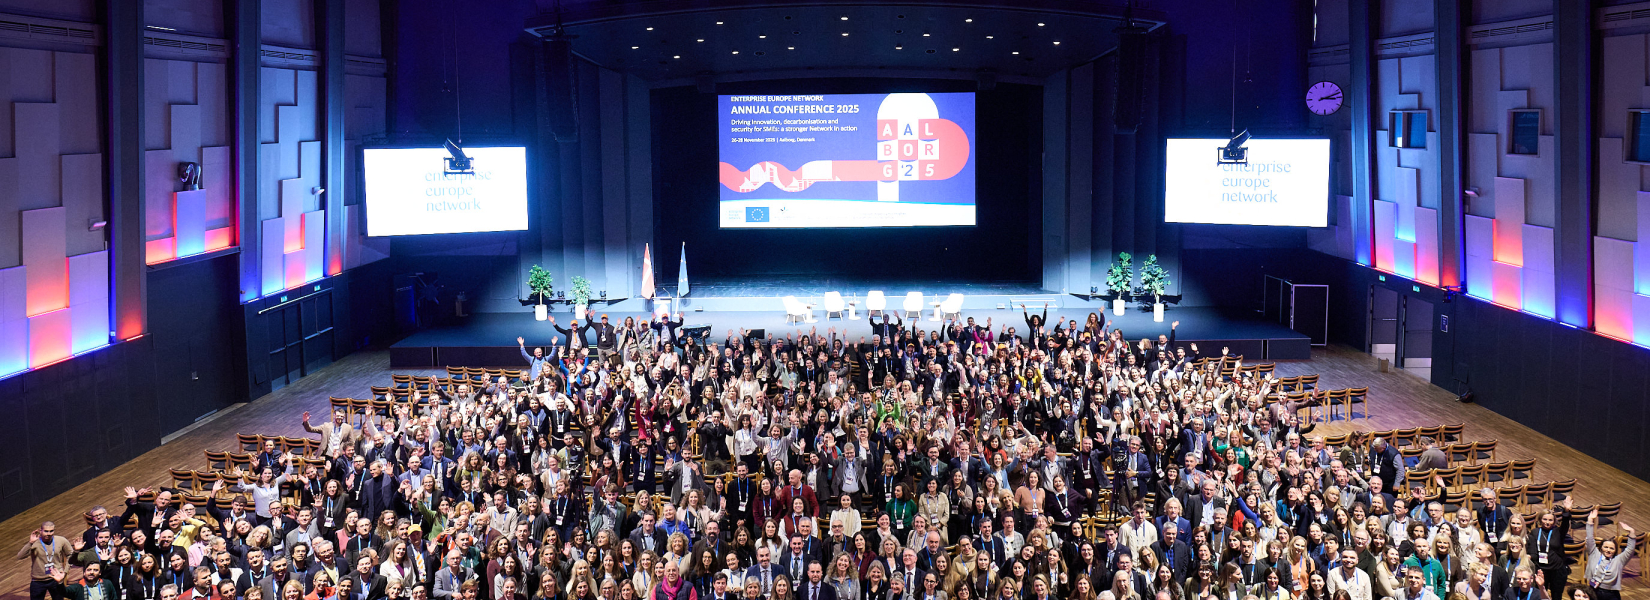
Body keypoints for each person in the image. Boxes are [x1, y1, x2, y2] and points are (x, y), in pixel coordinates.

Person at [1580, 510, 1633, 600]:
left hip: (1611, 595)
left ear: (1615, 550)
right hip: (1593, 591)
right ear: (1601, 547)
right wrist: (1590, 520)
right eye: (1606, 547)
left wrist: (1631, 533)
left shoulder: (1619, 560)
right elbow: (1589, 539)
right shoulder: (1594, 554)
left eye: (1611, 548)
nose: (1608, 550)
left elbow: (1630, 550)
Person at [19, 522, 75, 600]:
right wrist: (30, 543)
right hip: (38, 580)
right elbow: (20, 556)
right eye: (46, 531)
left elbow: (71, 554)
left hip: (56, 579)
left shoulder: (61, 540)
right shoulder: (34, 543)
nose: (48, 534)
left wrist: (65, 572)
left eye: (51, 531)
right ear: (40, 531)